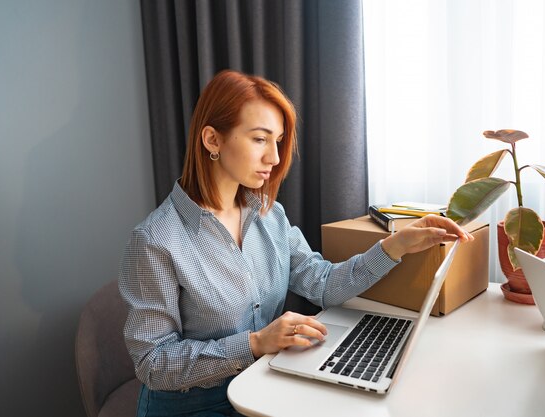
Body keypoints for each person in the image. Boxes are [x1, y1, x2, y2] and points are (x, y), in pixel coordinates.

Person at [119, 69, 473, 417]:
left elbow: (322, 284)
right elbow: (153, 364)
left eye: (277, 141)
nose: (274, 158)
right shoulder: (155, 240)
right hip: (191, 405)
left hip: (262, 385)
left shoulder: (270, 215)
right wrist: (255, 344)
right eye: (260, 139)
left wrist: (396, 247)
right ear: (213, 140)